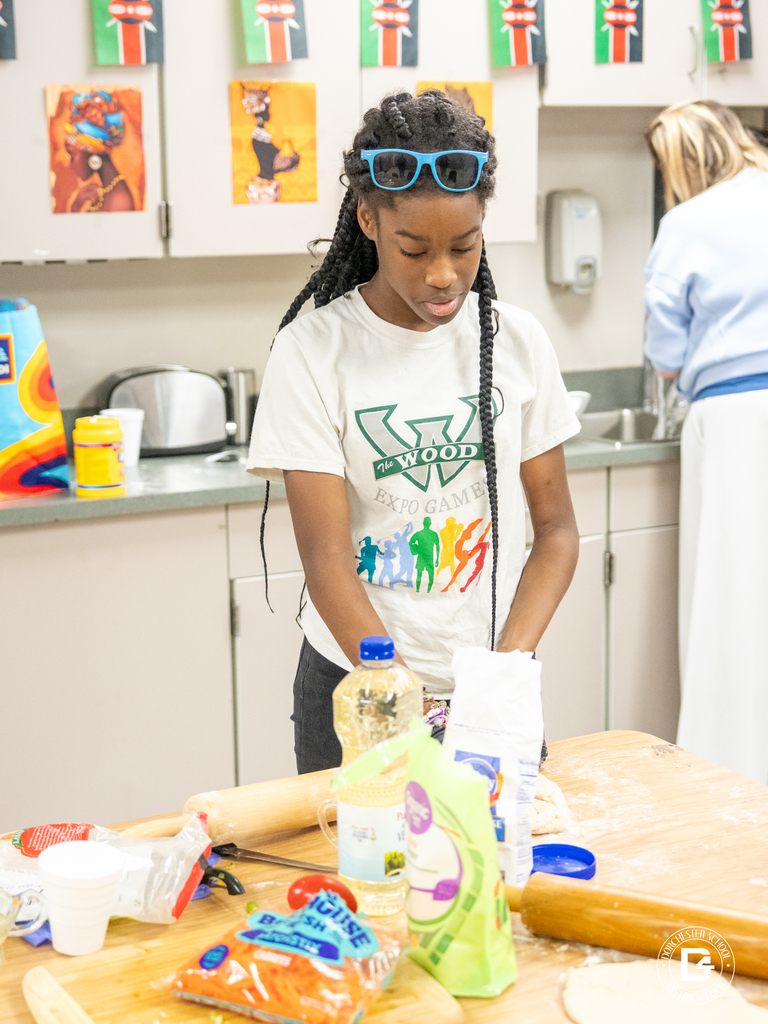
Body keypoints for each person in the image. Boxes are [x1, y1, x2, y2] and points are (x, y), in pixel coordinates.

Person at [247, 91, 580, 773]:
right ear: (368, 218)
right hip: (362, 687)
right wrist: (400, 696)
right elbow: (328, 561)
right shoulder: (312, 352)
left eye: (464, 246)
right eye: (413, 248)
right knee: (367, 875)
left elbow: (556, 532)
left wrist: (500, 676)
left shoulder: (516, 342)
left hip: (492, 691)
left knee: (500, 877)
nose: (442, 275)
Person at [645, 99, 768, 785]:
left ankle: (730, 773)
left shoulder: (688, 224)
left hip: (733, 422)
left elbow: (665, 352)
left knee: (729, 601)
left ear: (686, 161)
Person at [63, 90, 135, 213]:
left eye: (73, 155)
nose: (71, 164)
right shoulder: (105, 192)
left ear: (93, 152)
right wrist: (76, 207)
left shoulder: (119, 199)